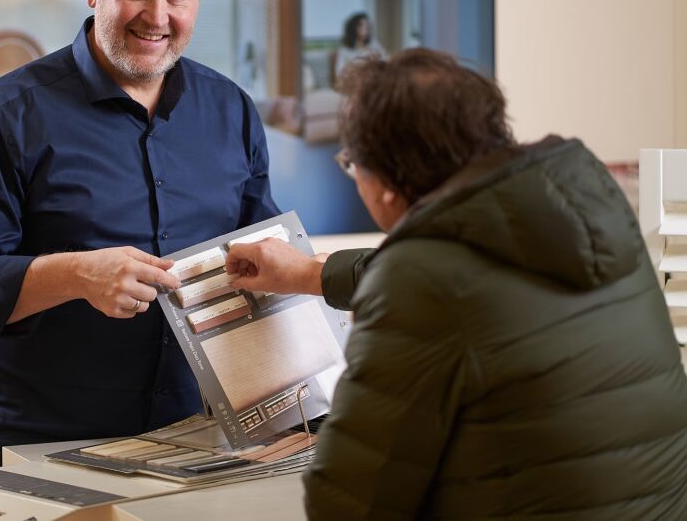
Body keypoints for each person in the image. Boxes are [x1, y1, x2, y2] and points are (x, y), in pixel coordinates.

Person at [227, 49, 687, 519]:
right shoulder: (586, 210)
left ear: (386, 181)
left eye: (352, 164)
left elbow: (348, 503)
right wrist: (308, 273)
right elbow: (467, 273)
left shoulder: (423, 280)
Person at [0, 0, 279, 472]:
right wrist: (73, 274)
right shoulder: (7, 114)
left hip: (199, 443)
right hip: (48, 450)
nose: (157, 16)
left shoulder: (231, 110)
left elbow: (261, 264)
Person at [333, 12, 386, 82]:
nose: (366, 28)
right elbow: (339, 72)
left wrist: (377, 59)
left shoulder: (373, 43)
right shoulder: (345, 50)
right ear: (354, 28)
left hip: (375, 79)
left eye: (367, 25)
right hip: (354, 81)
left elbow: (386, 59)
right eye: (362, 25)